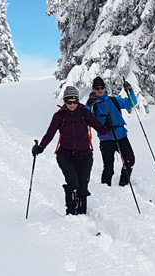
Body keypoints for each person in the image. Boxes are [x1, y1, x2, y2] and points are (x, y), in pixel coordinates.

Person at [32, 86, 112, 215]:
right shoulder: (59, 116)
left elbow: (100, 129)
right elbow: (50, 134)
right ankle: (71, 212)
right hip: (65, 155)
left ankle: (82, 212)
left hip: (85, 155)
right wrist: (40, 147)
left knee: (83, 184)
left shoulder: (85, 113)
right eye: (69, 102)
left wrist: (108, 125)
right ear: (65, 101)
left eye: (75, 102)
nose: (72, 105)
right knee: (73, 182)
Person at [85, 76, 137, 187]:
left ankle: (124, 183)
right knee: (108, 168)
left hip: (121, 135)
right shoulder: (93, 104)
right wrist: (89, 104)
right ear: (93, 90)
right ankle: (105, 189)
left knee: (130, 161)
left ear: (104, 88)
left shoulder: (114, 100)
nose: (99, 90)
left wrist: (130, 91)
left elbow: (131, 103)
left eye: (101, 87)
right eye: (97, 88)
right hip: (106, 139)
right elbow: (86, 118)